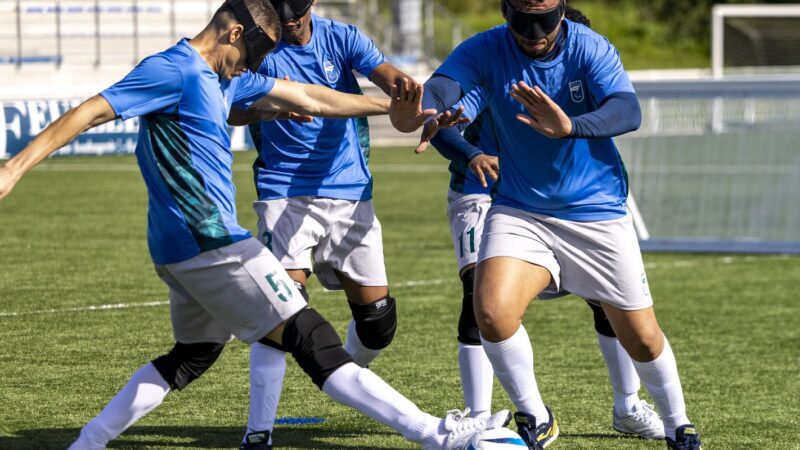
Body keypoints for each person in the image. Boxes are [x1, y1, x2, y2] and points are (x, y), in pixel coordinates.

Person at [0, 1, 509, 449]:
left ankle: (88, 443)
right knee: (312, 337)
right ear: (233, 34)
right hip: (212, 243)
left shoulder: (226, 73)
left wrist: (398, 108)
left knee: (193, 355)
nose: (247, 72)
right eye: (249, 60)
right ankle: (435, 435)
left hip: (178, 250)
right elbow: (88, 112)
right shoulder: (173, 70)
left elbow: (311, 98)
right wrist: (12, 168)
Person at [389, 0, 703, 449]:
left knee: (643, 337)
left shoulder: (591, 48)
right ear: (506, 13)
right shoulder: (484, 48)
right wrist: (420, 110)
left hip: (595, 213)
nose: (535, 37)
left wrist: (569, 125)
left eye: (545, 27)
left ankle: (677, 423)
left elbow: (628, 111)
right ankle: (535, 415)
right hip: (520, 209)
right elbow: (444, 88)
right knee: (491, 311)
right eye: (524, 28)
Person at [226, 1, 418, 447]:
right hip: (283, 193)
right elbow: (232, 109)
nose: (290, 18)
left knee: (377, 323)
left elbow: (388, 75)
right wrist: (267, 108)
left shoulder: (342, 37)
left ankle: (346, 375)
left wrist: (406, 94)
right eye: (281, 8)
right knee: (279, 312)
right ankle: (258, 433)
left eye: (298, 8)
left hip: (351, 193)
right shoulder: (255, 46)